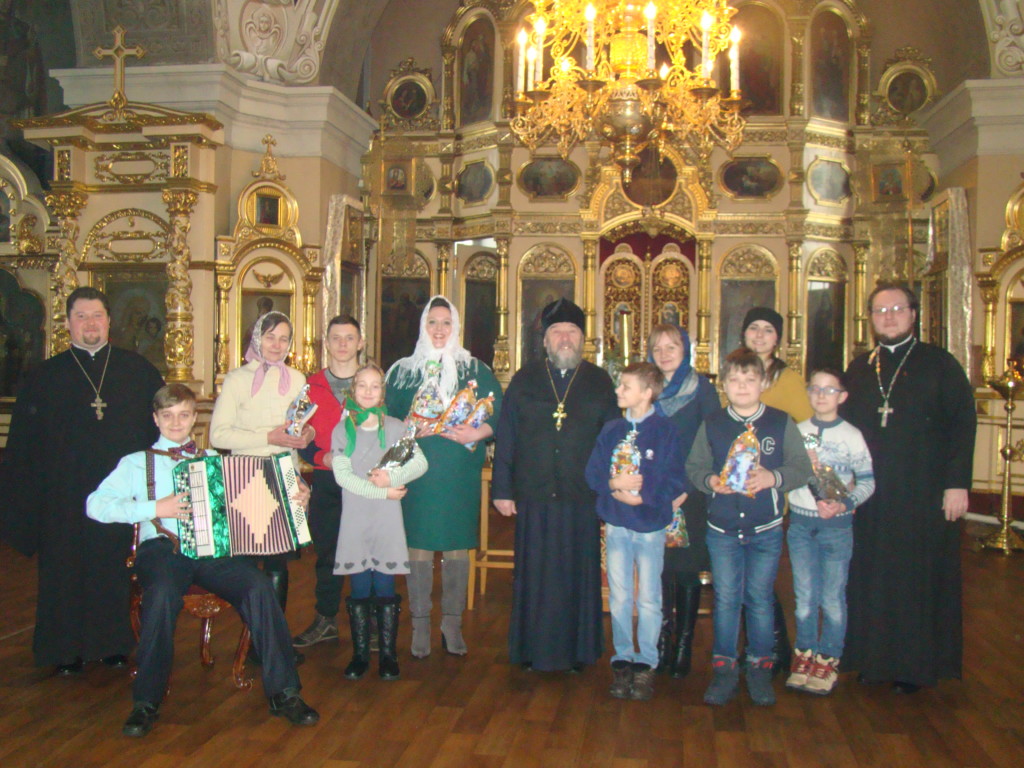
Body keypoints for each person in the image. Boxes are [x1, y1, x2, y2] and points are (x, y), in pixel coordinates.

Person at [86, 384, 319, 737]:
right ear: (155, 419)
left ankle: (285, 692)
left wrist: (298, 496)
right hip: (162, 550)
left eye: (183, 415)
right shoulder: (135, 462)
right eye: (167, 415)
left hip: (213, 552)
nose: (175, 422)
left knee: (259, 587)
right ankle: (146, 701)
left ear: (194, 417)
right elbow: (95, 505)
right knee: (161, 595)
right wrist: (155, 508)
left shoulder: (215, 460)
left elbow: (257, 502)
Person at [0, 286, 164, 675]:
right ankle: (64, 651)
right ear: (68, 323)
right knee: (63, 572)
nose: (90, 323)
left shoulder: (139, 372)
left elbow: (158, 435)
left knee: (113, 569)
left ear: (109, 321)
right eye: (81, 316)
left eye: (96, 316)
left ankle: (113, 644)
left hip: (119, 496)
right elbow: (23, 446)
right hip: (62, 498)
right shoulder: (43, 376)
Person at [840, 282, 975, 693]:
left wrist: (957, 485)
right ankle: (873, 660)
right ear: (870, 319)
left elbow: (962, 426)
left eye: (897, 309)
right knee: (872, 575)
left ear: (913, 314)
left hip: (924, 493)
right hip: (872, 496)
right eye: (880, 311)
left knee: (915, 577)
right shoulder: (861, 368)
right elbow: (843, 431)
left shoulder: (940, 364)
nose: (889, 317)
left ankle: (914, 667)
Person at [493, 298, 619, 672]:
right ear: (546, 340)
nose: (565, 338)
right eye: (557, 332)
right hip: (534, 495)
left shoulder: (599, 381)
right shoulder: (524, 380)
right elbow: (507, 436)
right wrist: (502, 490)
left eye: (572, 332)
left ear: (582, 339)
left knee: (577, 575)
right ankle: (531, 650)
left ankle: (578, 652)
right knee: (535, 575)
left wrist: (611, 491)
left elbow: (614, 442)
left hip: (582, 497)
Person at [686, 348, 813, 706]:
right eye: (735, 380)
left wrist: (774, 477)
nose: (742, 386)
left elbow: (801, 467)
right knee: (726, 600)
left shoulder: (780, 422)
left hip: (765, 528)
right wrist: (711, 481)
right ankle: (724, 670)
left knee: (759, 599)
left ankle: (759, 669)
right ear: (724, 385)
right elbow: (694, 466)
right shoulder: (713, 423)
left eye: (750, 379)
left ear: (762, 383)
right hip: (723, 528)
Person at [385, 296, 502, 658]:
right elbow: (384, 418)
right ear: (423, 325)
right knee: (418, 543)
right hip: (417, 473)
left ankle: (452, 623)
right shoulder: (403, 372)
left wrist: (478, 432)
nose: (439, 329)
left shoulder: (475, 369)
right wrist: (405, 427)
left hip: (458, 474)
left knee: (456, 545)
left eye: (446, 322)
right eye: (432, 322)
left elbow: (499, 413)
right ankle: (420, 623)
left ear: (456, 327)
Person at [209, 311, 313, 645]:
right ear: (257, 337)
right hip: (246, 476)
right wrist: (268, 436)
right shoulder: (237, 379)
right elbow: (218, 435)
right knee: (246, 565)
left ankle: (273, 642)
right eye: (270, 337)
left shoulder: (296, 378)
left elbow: (300, 427)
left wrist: (306, 435)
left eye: (284, 338)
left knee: (279, 563)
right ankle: (251, 640)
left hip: (283, 474)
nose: (277, 345)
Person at [585, 362, 686, 701]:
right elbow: (592, 473)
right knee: (619, 595)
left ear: (647, 392)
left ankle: (646, 663)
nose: (618, 391)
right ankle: (623, 658)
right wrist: (614, 483)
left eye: (625, 386)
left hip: (649, 526)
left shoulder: (665, 430)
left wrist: (644, 497)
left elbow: (675, 477)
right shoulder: (611, 429)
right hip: (616, 524)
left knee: (649, 598)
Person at [331, 363, 428, 680]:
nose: (368, 391)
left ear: (382, 392)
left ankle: (388, 655)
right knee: (359, 585)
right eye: (362, 385)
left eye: (375, 385)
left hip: (386, 520)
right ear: (353, 390)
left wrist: (392, 478)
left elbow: (420, 463)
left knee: (385, 585)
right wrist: (381, 493)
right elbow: (343, 477)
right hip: (356, 518)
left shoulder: (396, 428)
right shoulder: (342, 430)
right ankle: (360, 655)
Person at [785, 369, 874, 695]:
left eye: (829, 390)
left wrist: (844, 504)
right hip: (801, 525)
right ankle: (804, 655)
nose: (821, 395)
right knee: (804, 598)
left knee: (832, 598)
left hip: (836, 527)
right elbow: (787, 476)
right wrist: (801, 466)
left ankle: (828, 658)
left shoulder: (851, 435)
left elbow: (867, 481)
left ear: (842, 396)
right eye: (815, 389)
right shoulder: (797, 432)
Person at [741, 305, 811, 677]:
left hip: (768, 487)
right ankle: (760, 648)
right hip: (735, 489)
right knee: (740, 578)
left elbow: (806, 429)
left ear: (778, 339)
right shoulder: (736, 370)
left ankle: (774, 649)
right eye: (753, 327)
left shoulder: (788, 379)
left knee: (760, 579)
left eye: (768, 329)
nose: (759, 334)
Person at [647, 324, 720, 678]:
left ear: (685, 350)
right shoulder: (645, 387)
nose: (664, 354)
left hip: (690, 493)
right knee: (658, 567)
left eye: (671, 347)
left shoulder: (701, 389)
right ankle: (662, 640)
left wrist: (687, 488)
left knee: (687, 569)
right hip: (653, 492)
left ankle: (684, 644)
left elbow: (714, 441)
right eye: (657, 348)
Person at [293, 314, 365, 648]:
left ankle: (370, 625)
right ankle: (326, 619)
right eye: (336, 338)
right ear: (327, 343)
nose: (342, 344)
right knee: (327, 555)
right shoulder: (311, 387)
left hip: (365, 482)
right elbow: (299, 435)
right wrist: (321, 457)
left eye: (349, 338)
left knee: (368, 554)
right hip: (326, 479)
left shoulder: (373, 383)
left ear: (360, 343)